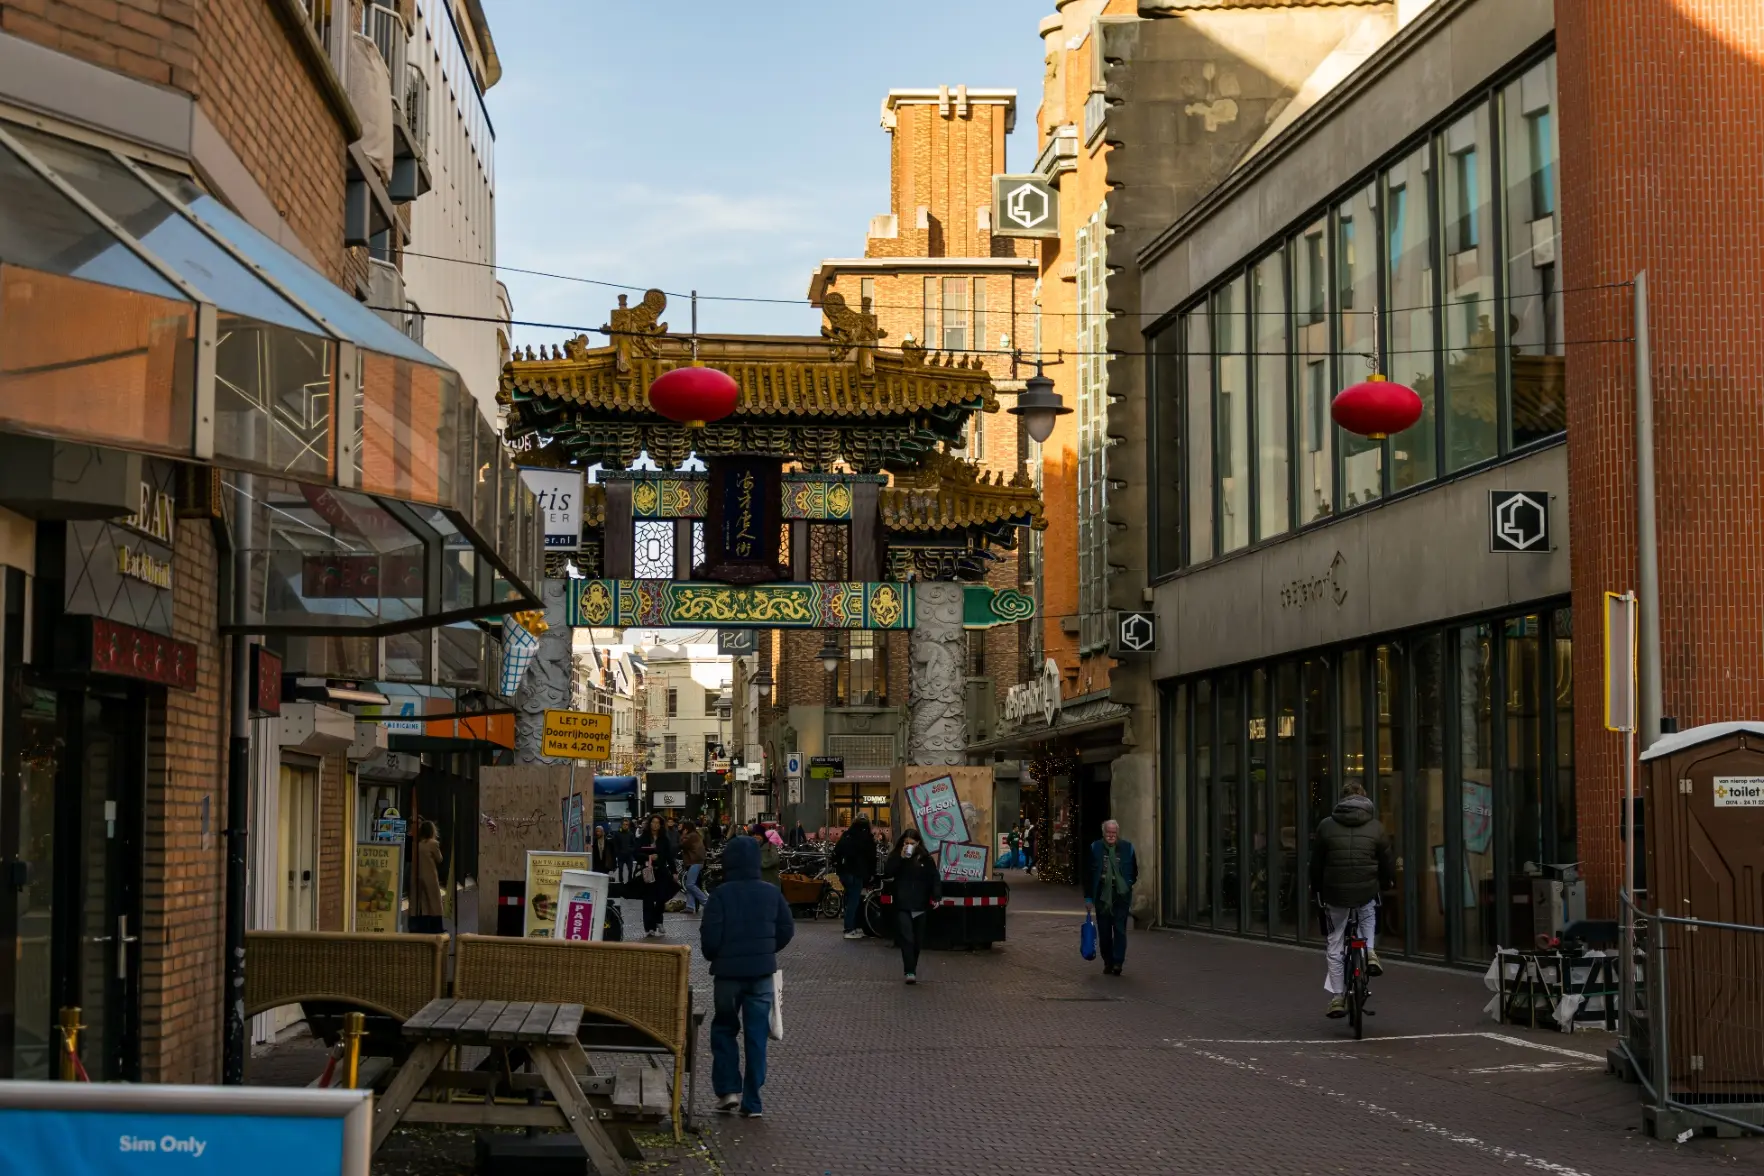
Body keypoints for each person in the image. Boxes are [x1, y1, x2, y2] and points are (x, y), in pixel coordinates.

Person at [700, 834, 794, 1118]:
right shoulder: (771, 893)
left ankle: (728, 1090)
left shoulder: (720, 895)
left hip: (728, 975)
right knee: (756, 1036)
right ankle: (753, 1101)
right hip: (761, 973)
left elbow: (710, 940)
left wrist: (718, 955)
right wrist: (767, 950)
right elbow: (786, 930)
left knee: (725, 1029)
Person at [1310, 779, 1395, 1017]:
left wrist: (1316, 888)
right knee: (1367, 914)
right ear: (1365, 800)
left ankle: (1337, 997)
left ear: (1342, 800)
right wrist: (1387, 881)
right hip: (1366, 888)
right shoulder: (1376, 827)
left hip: (1335, 892)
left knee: (1335, 941)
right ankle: (1369, 952)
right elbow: (1387, 861)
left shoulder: (1326, 826)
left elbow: (1316, 863)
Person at [881, 828, 940, 983]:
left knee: (917, 940)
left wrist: (936, 895)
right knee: (907, 937)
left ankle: (912, 966)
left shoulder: (925, 859)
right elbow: (888, 873)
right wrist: (899, 859)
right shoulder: (896, 856)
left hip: (920, 904)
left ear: (918, 843)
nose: (908, 846)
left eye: (911, 843)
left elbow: (934, 877)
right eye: (906, 843)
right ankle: (909, 971)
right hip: (903, 903)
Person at [1084, 820, 1139, 976]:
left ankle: (1118, 962)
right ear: (1104, 833)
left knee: (1120, 929)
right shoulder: (1095, 848)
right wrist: (1088, 898)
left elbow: (1134, 871)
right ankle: (1108, 961)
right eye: (1108, 832)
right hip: (1102, 894)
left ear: (1117, 833)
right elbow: (1088, 874)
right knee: (1105, 931)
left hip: (1121, 895)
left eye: (1113, 833)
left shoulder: (1128, 848)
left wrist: (1127, 883)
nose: (1111, 835)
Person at [832, 814, 877, 939]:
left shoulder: (847, 835)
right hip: (858, 873)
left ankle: (853, 927)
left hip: (845, 872)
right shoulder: (867, 838)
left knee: (850, 899)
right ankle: (850, 929)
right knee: (854, 900)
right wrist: (871, 874)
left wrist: (838, 868)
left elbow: (836, 852)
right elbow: (872, 858)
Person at [636, 814, 678, 937]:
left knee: (661, 897)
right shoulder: (644, 837)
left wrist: (674, 871)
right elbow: (636, 853)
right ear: (650, 824)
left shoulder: (664, 839)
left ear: (660, 825)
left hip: (661, 871)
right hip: (648, 871)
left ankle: (658, 920)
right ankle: (649, 927)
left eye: (657, 823)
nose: (655, 825)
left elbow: (669, 857)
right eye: (653, 822)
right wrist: (648, 857)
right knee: (648, 899)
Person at [409, 820, 445, 934]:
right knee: (434, 902)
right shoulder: (433, 844)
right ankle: (437, 927)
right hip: (430, 876)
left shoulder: (418, 844)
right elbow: (439, 859)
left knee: (422, 902)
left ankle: (421, 926)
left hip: (418, 876)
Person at [680, 819, 709, 915]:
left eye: (682, 827)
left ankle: (707, 902)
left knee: (690, 884)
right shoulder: (695, 835)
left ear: (686, 828)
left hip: (694, 862)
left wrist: (683, 835)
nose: (680, 828)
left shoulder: (690, 836)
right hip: (696, 862)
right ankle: (690, 906)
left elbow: (682, 844)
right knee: (690, 884)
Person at [614, 819, 637, 883]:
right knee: (620, 869)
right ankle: (621, 882)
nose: (625, 826)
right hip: (621, 855)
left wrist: (631, 850)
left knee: (630, 869)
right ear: (621, 825)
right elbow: (615, 844)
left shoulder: (631, 834)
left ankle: (630, 881)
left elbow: (634, 844)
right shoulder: (617, 834)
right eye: (624, 824)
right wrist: (618, 853)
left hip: (629, 856)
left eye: (626, 824)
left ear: (628, 825)